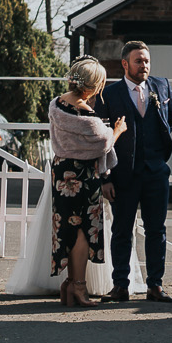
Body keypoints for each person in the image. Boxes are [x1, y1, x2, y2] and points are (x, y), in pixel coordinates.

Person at [96, 40, 172, 303]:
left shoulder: (161, 86)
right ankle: (120, 285)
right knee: (122, 230)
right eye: (138, 61)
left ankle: (155, 285)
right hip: (123, 174)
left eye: (146, 61)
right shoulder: (109, 95)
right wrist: (105, 178)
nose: (144, 65)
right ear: (125, 64)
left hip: (156, 171)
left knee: (157, 230)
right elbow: (101, 137)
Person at [47, 57, 125, 308]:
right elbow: (104, 145)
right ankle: (79, 287)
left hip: (61, 173)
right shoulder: (89, 119)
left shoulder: (55, 105)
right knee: (81, 231)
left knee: (67, 228)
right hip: (83, 176)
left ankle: (69, 284)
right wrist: (117, 131)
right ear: (93, 87)